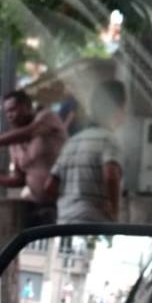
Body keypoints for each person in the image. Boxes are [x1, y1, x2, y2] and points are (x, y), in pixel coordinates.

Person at [0, 90, 67, 226]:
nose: (9, 116)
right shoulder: (14, 142)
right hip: (38, 205)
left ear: (27, 107)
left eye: (13, 110)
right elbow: (20, 179)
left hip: (64, 202)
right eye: (7, 112)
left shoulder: (47, 118)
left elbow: (30, 131)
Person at [44, 79, 127, 223]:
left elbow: (49, 186)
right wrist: (114, 212)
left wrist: (70, 204)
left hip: (64, 224)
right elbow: (111, 176)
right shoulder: (109, 140)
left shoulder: (72, 142)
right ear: (118, 109)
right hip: (92, 227)